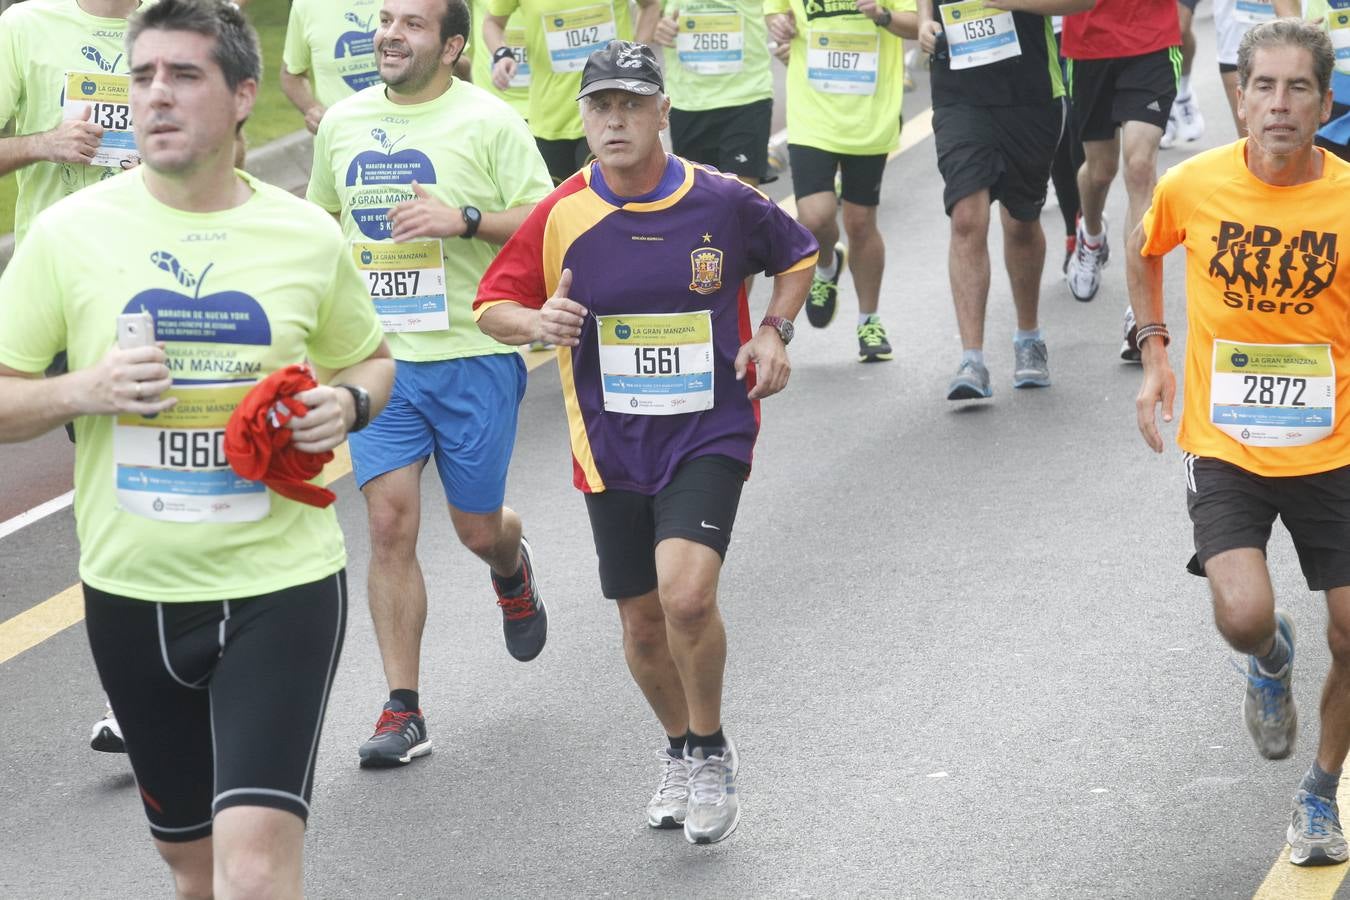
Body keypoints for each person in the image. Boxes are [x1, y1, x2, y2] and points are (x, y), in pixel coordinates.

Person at [0, 1, 395, 894]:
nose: (157, 96)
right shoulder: (68, 235)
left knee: (253, 866)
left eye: (184, 75)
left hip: (281, 586)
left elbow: (370, 361)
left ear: (244, 94)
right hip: (131, 592)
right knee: (192, 867)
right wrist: (83, 391)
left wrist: (345, 405)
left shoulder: (305, 234)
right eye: (143, 77)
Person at [475, 41, 817, 844]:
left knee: (687, 597)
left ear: (665, 111)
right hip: (610, 443)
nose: (615, 120)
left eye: (633, 104)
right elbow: (492, 303)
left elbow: (797, 252)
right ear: (583, 117)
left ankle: (710, 750)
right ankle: (682, 747)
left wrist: (773, 330)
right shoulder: (563, 211)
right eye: (601, 106)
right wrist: (535, 321)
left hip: (709, 427)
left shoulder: (723, 200)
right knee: (639, 623)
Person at [307, 0, 553, 768]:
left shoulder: (490, 122)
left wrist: (465, 219)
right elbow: (316, 227)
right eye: (385, 18)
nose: (389, 33)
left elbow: (547, 221)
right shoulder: (342, 123)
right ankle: (402, 708)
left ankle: (511, 569)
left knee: (477, 531)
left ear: (451, 46)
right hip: (379, 362)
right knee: (387, 527)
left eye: (411, 24)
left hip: (472, 354)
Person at [1131, 17, 1350, 868]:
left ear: (1326, 103)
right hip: (1226, 441)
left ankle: (1320, 793)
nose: (1280, 105)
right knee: (1245, 612)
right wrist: (1155, 352)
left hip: (1335, 446)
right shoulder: (1193, 186)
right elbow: (1145, 249)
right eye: (1264, 87)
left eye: (1299, 89)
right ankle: (1267, 657)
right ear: (1239, 96)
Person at [0, 0, 158, 754]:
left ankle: (155, 678)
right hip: (60, 289)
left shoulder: (167, 20)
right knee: (114, 479)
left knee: (151, 473)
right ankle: (139, 686)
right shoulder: (26, 26)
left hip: (159, 274)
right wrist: (42, 144)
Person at [918, 0, 1093, 401]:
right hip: (957, 94)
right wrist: (926, 21)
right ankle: (971, 359)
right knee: (966, 216)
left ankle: (1028, 337)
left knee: (1020, 221)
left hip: (1029, 93)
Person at [765, 0, 918, 362]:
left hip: (870, 113)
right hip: (812, 113)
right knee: (814, 217)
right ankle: (828, 265)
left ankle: (869, 321)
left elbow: (915, 23)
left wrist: (882, 14)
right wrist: (779, 26)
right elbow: (775, 13)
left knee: (861, 223)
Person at [1061, 0, 1177, 369]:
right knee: (1099, 171)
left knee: (1140, 167)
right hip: (1089, 44)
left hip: (1151, 40)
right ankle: (1091, 234)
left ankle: (1139, 313)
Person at [484, 0, 659, 183]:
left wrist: (636, 59)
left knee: (606, 204)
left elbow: (650, 5)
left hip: (609, 113)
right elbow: (492, 22)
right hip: (551, 117)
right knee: (560, 207)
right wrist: (501, 54)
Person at [638, 0, 772, 188]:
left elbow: (784, 8)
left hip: (746, 95)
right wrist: (660, 27)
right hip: (688, 101)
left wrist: (785, 24)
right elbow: (651, 8)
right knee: (697, 199)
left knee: (741, 197)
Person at [279, 0, 383, 134]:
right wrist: (312, 109)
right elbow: (292, 74)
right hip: (339, 141)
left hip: (404, 135)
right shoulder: (305, 5)